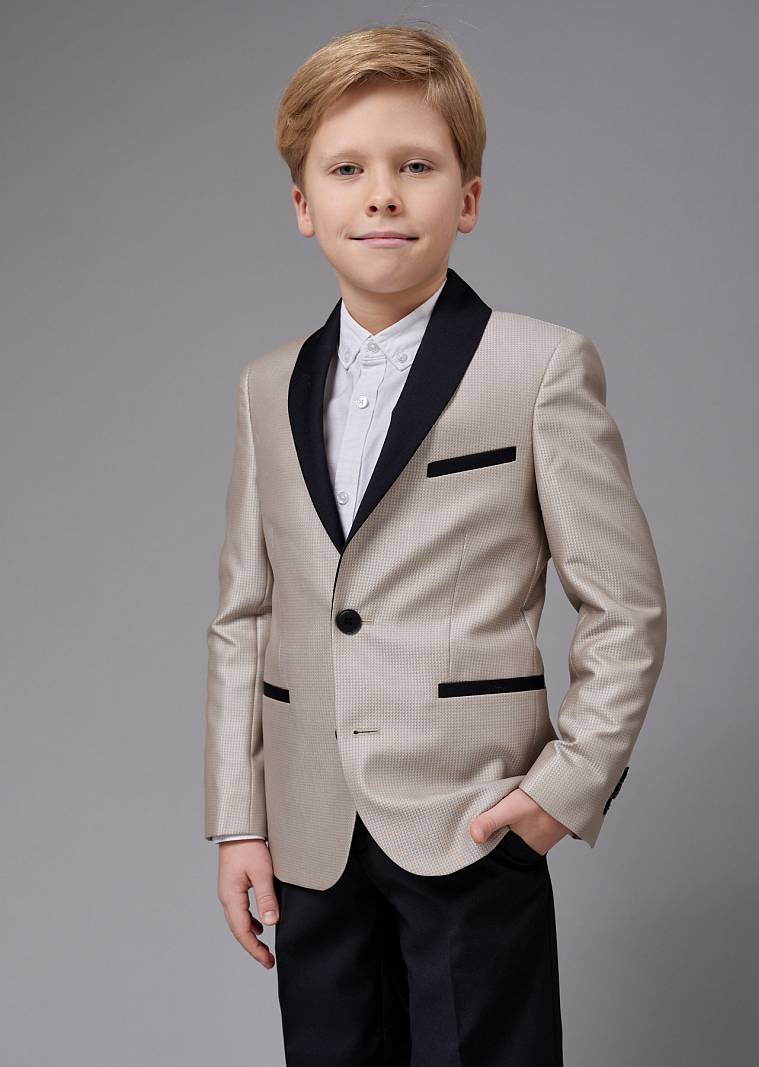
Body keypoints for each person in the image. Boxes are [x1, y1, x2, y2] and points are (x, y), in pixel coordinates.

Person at [203, 23, 667, 1066]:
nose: (381, 195)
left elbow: (626, 605)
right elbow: (244, 614)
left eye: (415, 166)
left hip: (471, 820)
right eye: (346, 170)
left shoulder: (538, 367)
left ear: (467, 198)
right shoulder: (265, 386)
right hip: (311, 832)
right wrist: (239, 819)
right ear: (302, 204)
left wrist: (562, 788)